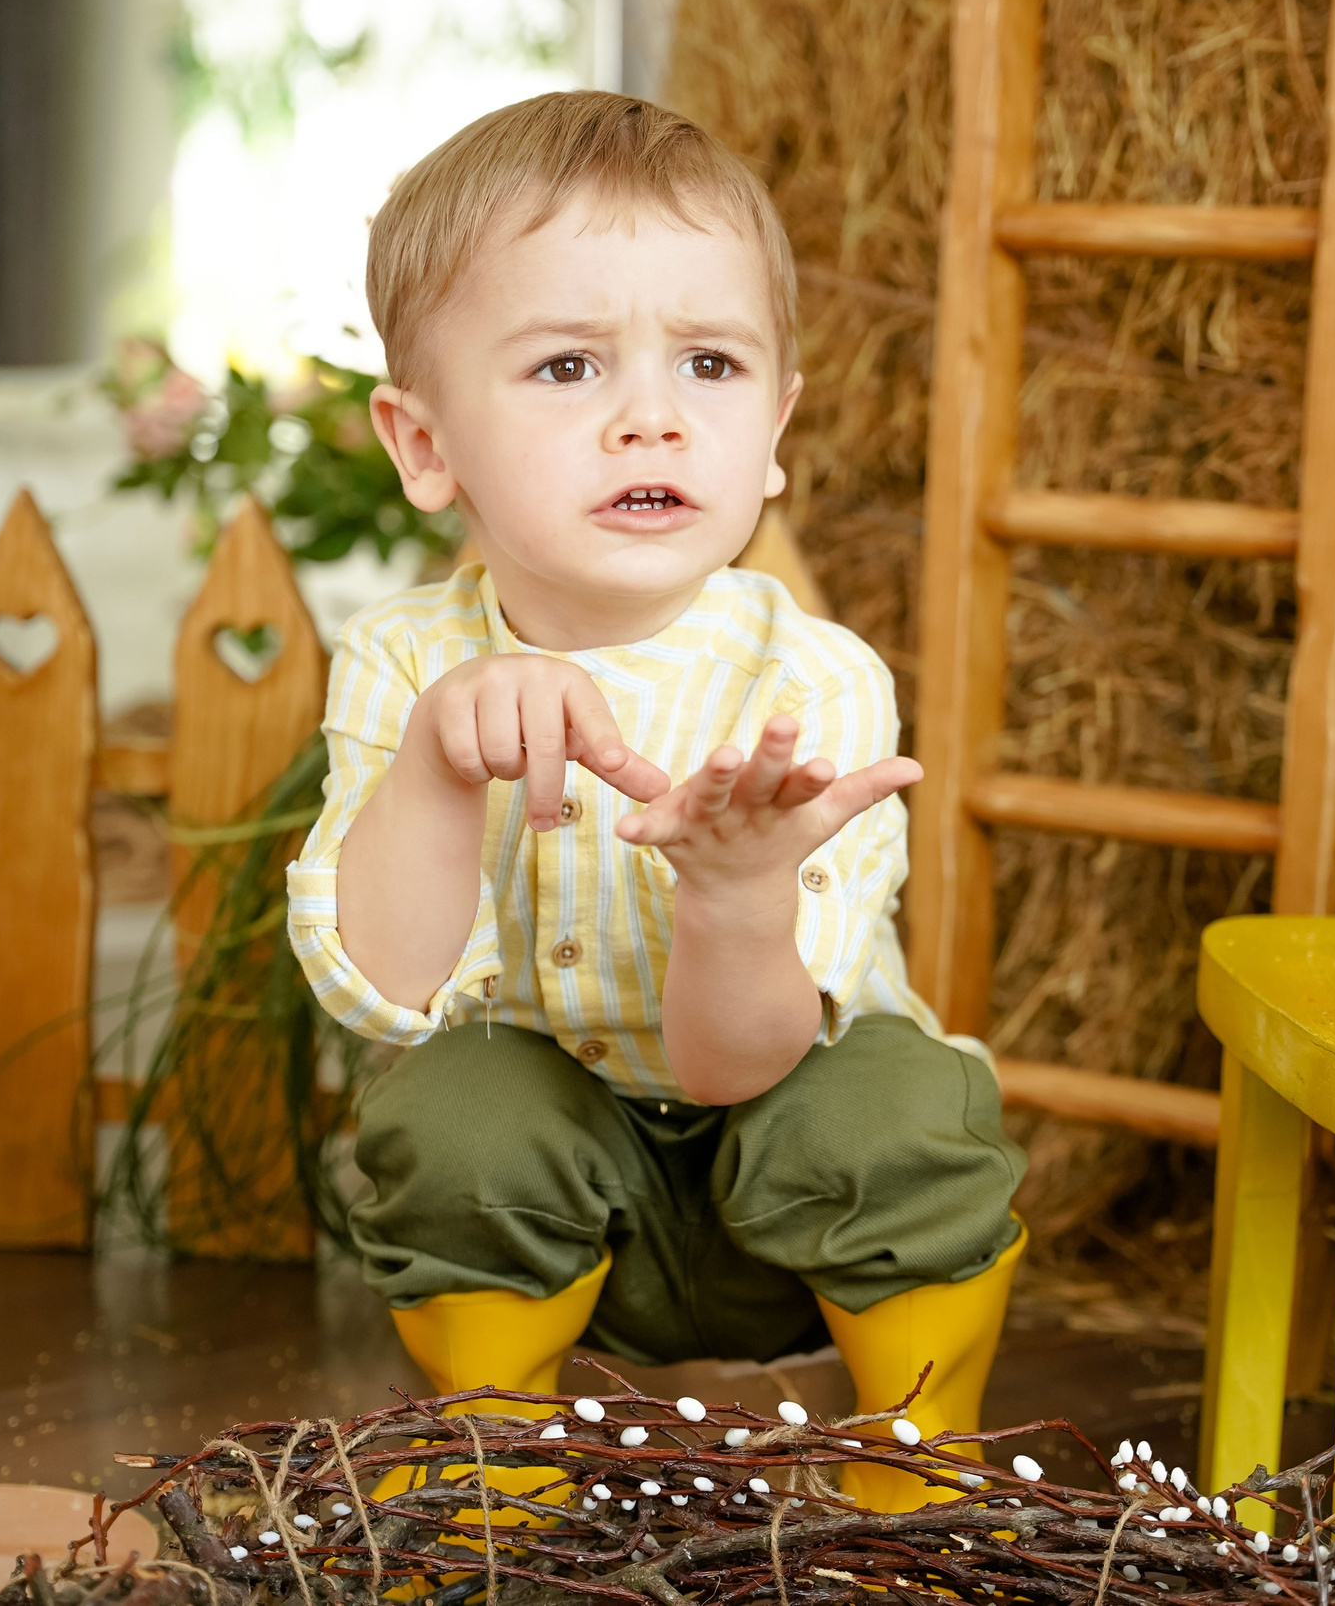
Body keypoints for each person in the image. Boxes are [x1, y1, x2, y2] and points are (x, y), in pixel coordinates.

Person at [285, 91, 1026, 1511]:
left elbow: (740, 1071)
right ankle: (507, 1461)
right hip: (552, 1225)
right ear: (425, 443)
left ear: (775, 430)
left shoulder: (811, 682)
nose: (649, 419)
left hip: (801, 1221)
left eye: (709, 363)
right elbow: (379, 997)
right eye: (567, 367)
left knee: (898, 1105)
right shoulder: (406, 661)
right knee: (451, 1106)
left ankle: (910, 1464)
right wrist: (441, 770)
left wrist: (738, 895)